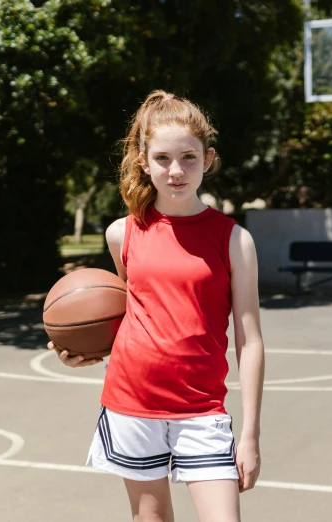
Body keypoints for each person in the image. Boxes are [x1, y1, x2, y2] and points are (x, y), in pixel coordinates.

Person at [48, 90, 265, 522]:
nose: (176, 170)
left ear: (208, 159)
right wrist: (86, 351)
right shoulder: (121, 234)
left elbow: (251, 341)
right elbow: (131, 313)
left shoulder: (235, 240)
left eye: (188, 157)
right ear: (144, 162)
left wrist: (251, 435)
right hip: (132, 404)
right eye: (163, 158)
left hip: (202, 410)